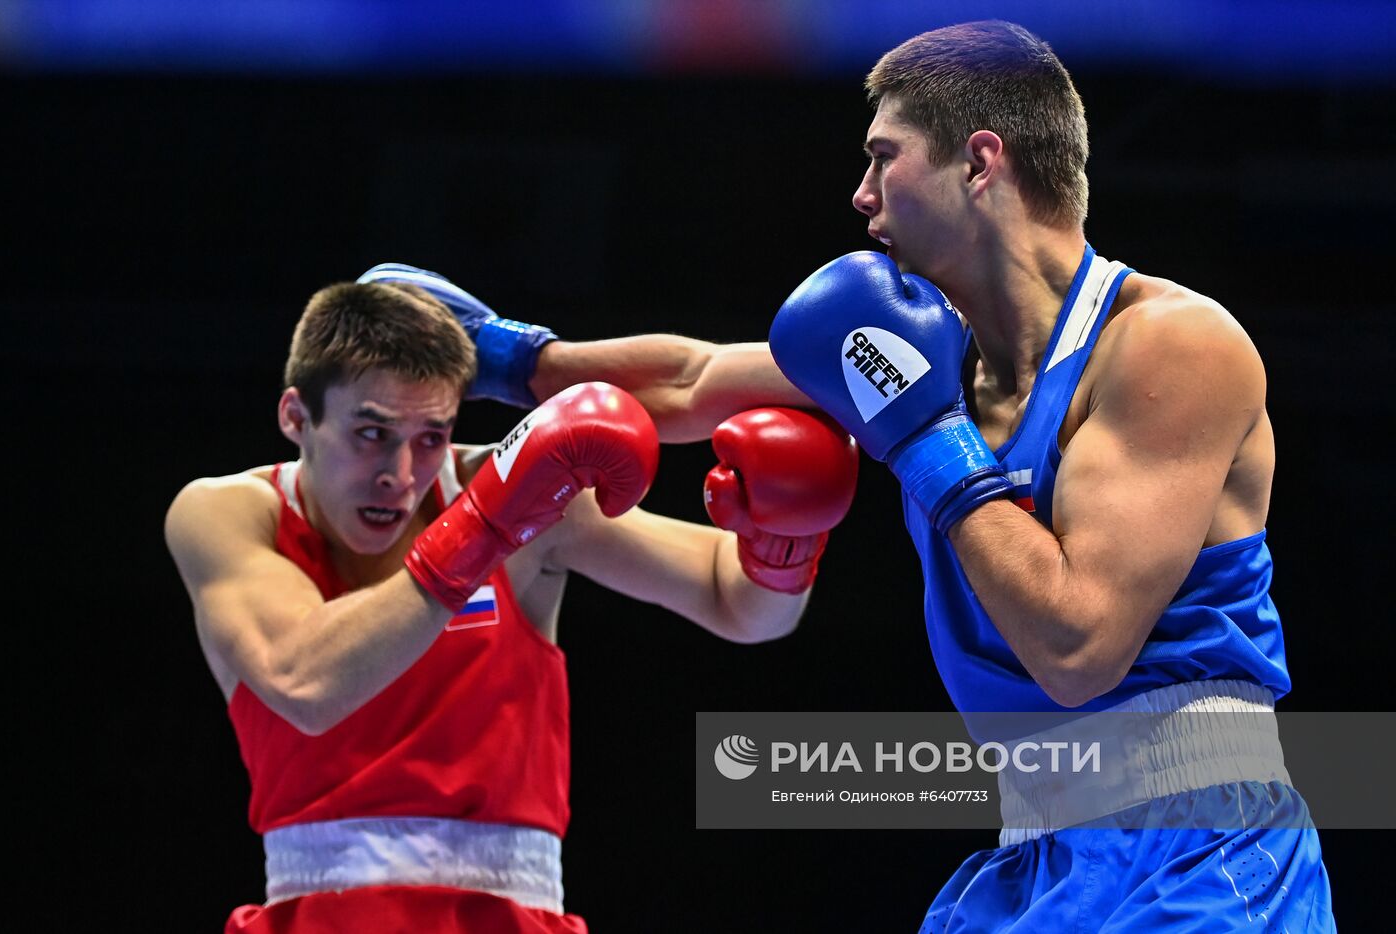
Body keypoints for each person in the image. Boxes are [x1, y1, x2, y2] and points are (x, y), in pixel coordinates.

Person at [433, 20, 1334, 931]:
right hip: (1036, 851)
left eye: (883, 157)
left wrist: (926, 434)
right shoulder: (933, 363)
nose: (861, 196)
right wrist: (496, 357)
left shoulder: (1170, 345)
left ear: (980, 164)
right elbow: (691, 379)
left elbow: (1077, 648)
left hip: (1201, 850)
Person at [163, 279, 859, 932]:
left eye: (430, 437)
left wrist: (783, 539)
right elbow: (303, 680)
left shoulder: (510, 489)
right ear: (296, 416)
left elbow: (743, 610)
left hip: (514, 912)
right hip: (316, 912)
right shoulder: (226, 513)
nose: (399, 476)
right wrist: (487, 523)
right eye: (371, 434)